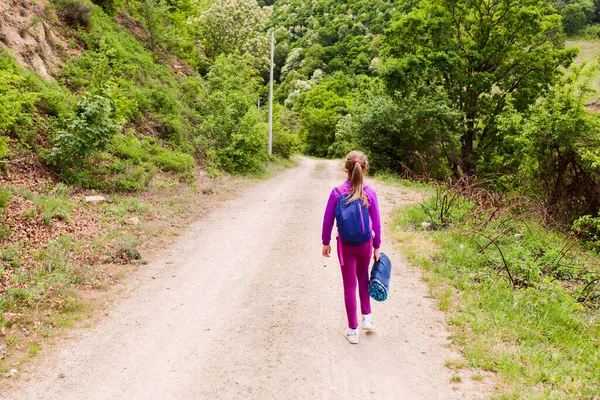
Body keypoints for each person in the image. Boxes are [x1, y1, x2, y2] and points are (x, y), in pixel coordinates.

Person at [322, 151, 381, 344]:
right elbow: (377, 224)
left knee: (349, 284)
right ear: (365, 169)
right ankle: (367, 318)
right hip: (365, 244)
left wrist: (326, 242)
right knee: (363, 277)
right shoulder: (370, 193)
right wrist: (377, 246)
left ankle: (353, 330)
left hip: (345, 245)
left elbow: (328, 220)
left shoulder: (337, 193)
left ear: (345, 169)